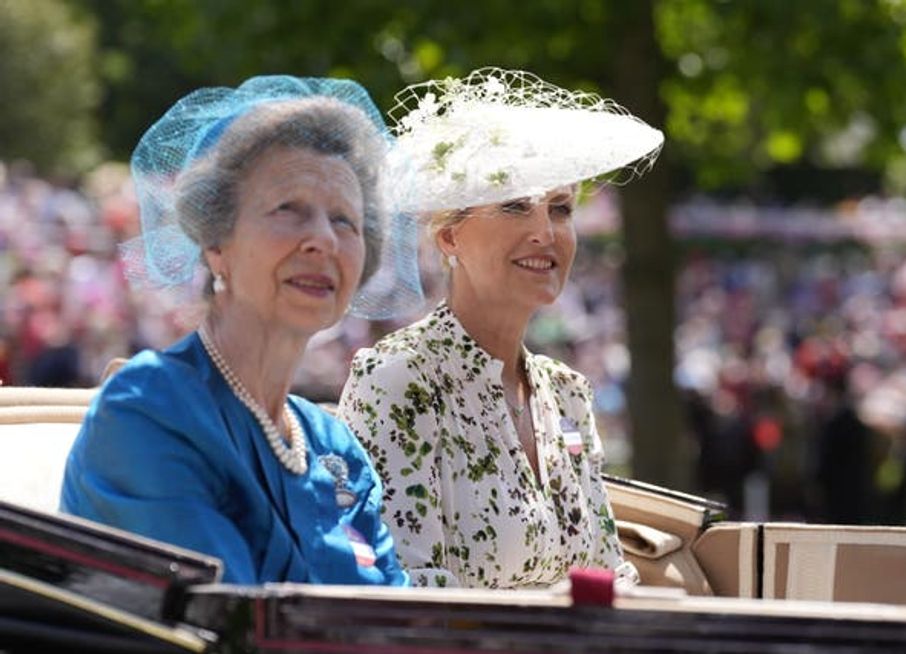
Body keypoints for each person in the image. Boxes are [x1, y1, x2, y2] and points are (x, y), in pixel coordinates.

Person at [61, 75, 422, 585]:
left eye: (345, 221)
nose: (322, 238)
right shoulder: (150, 410)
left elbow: (397, 617)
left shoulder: (334, 447)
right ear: (215, 244)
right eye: (287, 210)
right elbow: (225, 624)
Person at [338, 68, 664, 588]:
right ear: (449, 238)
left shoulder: (568, 393)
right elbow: (405, 592)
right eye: (514, 206)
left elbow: (607, 574)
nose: (545, 232)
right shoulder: (400, 381)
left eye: (560, 209)